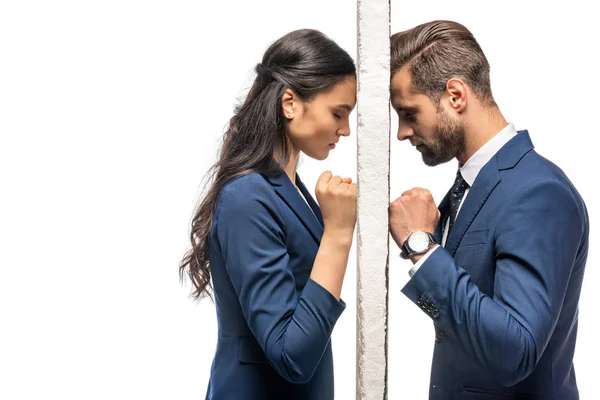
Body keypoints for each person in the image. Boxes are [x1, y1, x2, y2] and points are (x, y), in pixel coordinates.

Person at [388, 20, 589, 399]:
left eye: (409, 113)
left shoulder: (538, 193)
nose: (402, 132)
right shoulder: (469, 188)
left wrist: (422, 249)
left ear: (455, 95)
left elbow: (515, 351)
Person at [180, 29, 357, 400]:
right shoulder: (247, 197)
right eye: (338, 113)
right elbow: (290, 354)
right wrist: (338, 233)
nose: (345, 129)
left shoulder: (291, 189)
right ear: (290, 102)